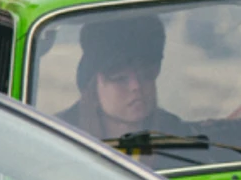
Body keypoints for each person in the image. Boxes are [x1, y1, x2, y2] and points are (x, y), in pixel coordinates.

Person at [57, 13, 192, 140]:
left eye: (146, 75)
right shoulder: (57, 140)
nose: (136, 86)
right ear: (93, 84)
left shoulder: (181, 139)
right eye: (120, 78)